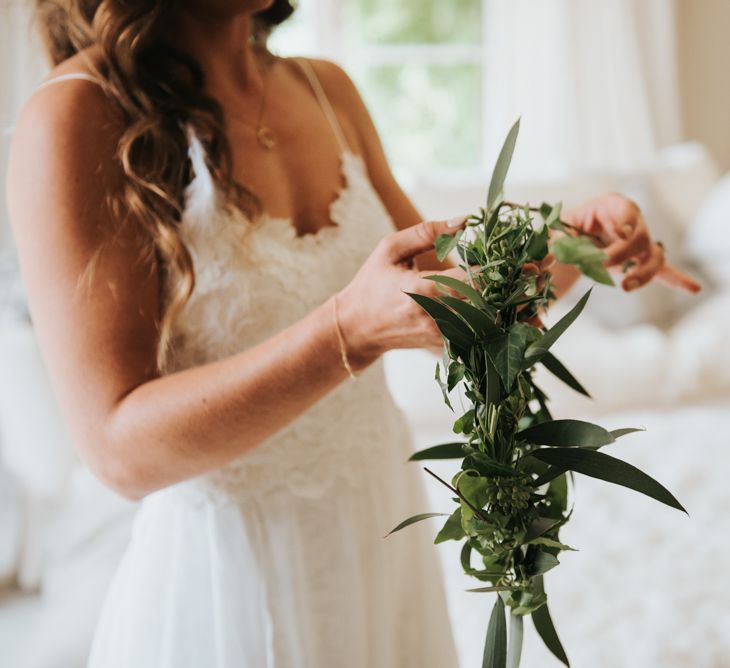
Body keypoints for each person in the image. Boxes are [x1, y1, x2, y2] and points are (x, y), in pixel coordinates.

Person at [7, 1, 700, 666]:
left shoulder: (325, 87)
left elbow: (450, 307)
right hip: (234, 578)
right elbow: (115, 450)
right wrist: (344, 333)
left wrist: (580, 242)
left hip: (379, 535)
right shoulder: (75, 115)